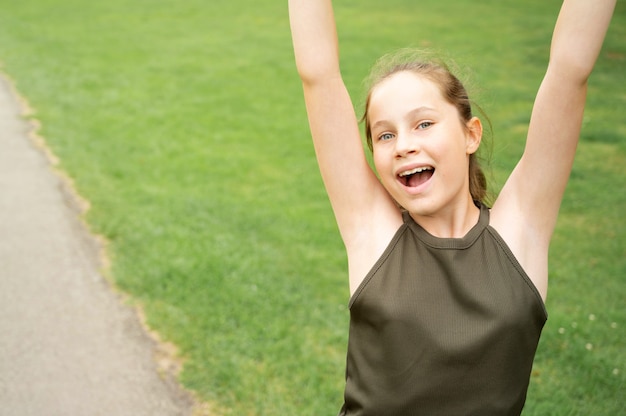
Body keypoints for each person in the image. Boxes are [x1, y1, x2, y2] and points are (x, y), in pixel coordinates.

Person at [288, 0, 616, 414]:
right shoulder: (372, 231)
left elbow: (570, 70)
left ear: (470, 135)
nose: (404, 144)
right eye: (384, 135)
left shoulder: (521, 231)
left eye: (423, 124)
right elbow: (318, 74)